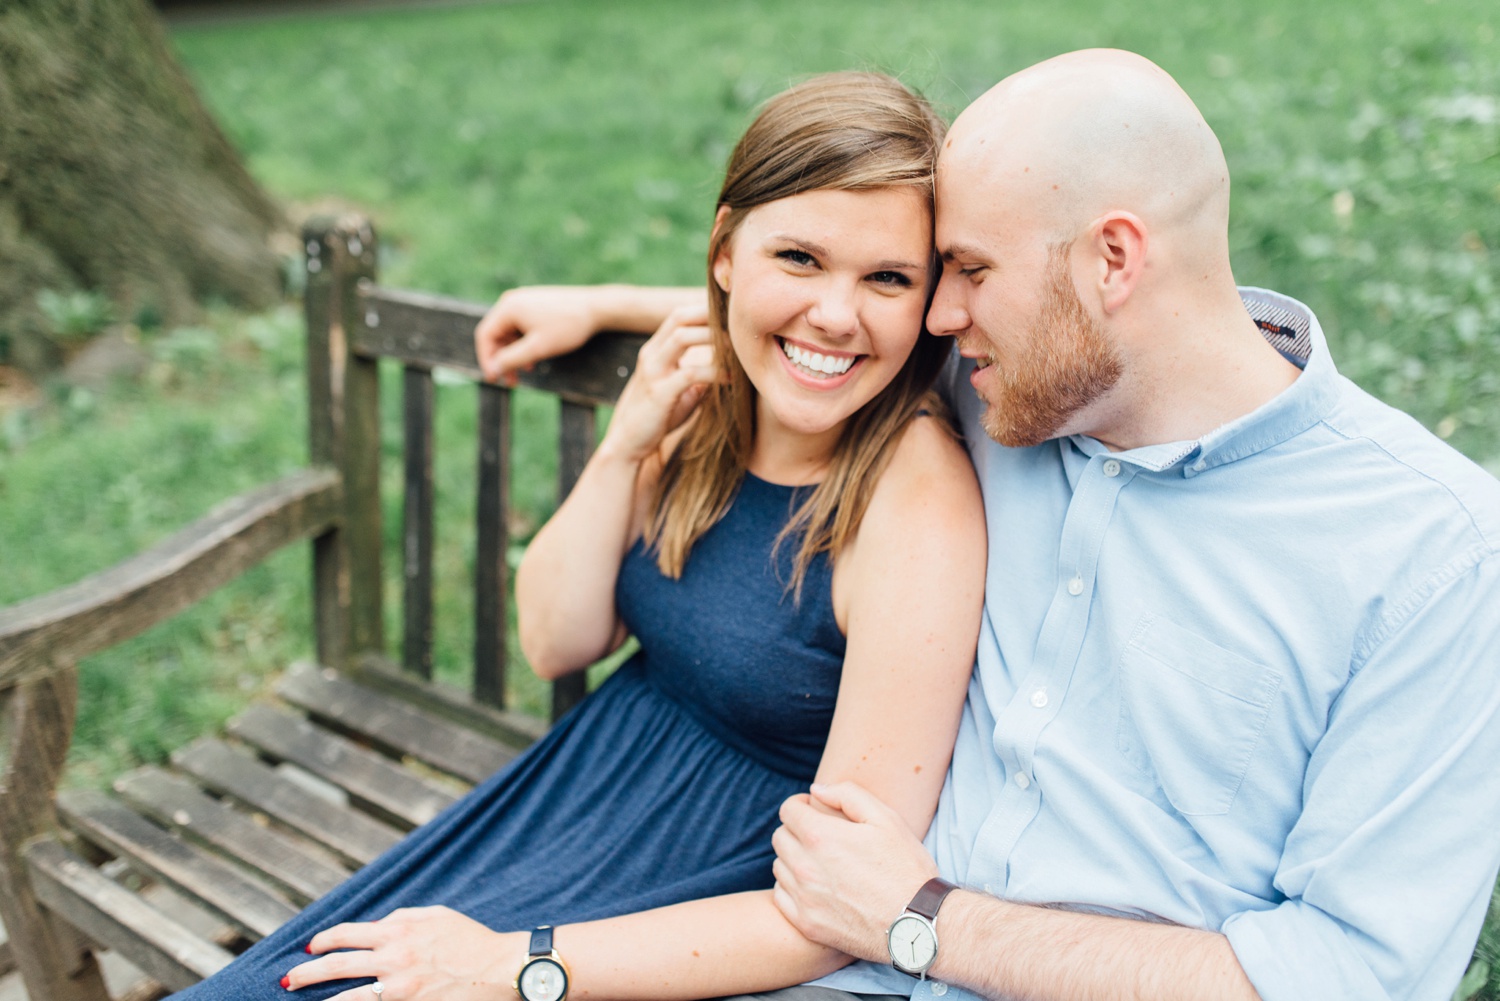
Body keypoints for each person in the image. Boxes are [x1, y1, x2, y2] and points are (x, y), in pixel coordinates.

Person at [478, 50, 1500, 1001]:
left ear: (1113, 261)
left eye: (965, 269)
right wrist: (602, 303)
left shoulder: (1429, 550)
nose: (934, 315)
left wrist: (924, 921)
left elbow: (1355, 973)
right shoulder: (1014, 383)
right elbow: (823, 308)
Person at [169, 72, 986, 1001]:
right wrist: (626, 440)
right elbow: (555, 637)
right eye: (798, 257)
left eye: (888, 278)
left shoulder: (914, 508)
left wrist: (512, 966)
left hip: (694, 913)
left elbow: (837, 910)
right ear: (725, 252)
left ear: (930, 301)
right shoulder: (708, 390)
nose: (836, 315)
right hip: (573, 801)